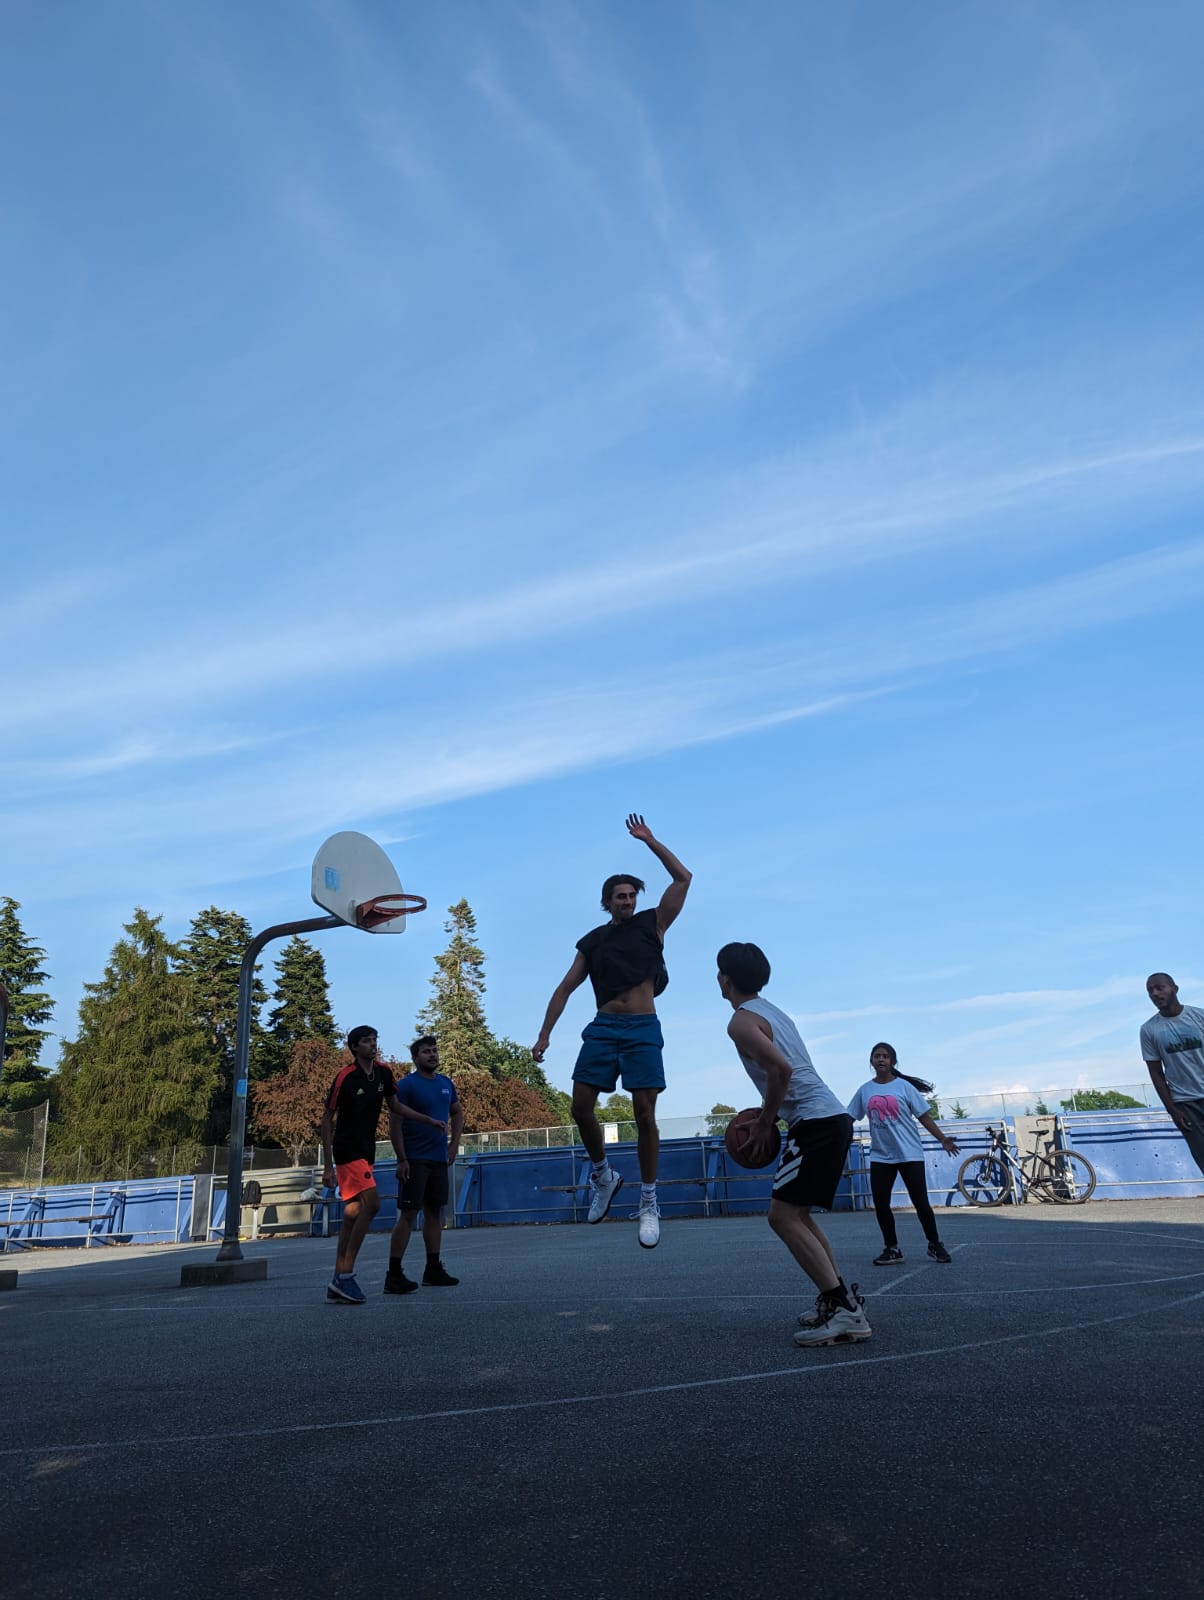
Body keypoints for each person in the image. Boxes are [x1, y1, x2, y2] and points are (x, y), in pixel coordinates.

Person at [533, 814, 691, 1249]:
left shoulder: (653, 924)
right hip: (603, 1026)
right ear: (607, 902)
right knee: (580, 1107)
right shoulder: (593, 941)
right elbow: (565, 988)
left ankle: (649, 1201)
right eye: (620, 896)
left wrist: (650, 841)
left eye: (632, 895)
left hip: (642, 1027)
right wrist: (545, 1034)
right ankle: (604, 1175)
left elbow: (683, 878)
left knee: (644, 1114)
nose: (628, 900)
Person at [717, 942, 871, 1348]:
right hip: (828, 1118)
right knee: (797, 1215)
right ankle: (838, 1299)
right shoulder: (773, 1011)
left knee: (782, 1217)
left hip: (816, 1121)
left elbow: (781, 1070)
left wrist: (765, 1122)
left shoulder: (740, 1021)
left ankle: (845, 1312)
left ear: (724, 979)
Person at [319, 1025, 447, 1304]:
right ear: (354, 1047)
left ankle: (337, 1277)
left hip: (367, 1151)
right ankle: (346, 1276)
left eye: (374, 1040)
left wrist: (427, 1120)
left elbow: (396, 1106)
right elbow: (327, 1119)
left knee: (353, 1212)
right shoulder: (346, 1077)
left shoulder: (384, 1073)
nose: (372, 1044)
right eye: (366, 1041)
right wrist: (328, 1166)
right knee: (373, 1204)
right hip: (347, 1150)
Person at [847, 1043, 958, 1266]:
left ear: (893, 1061)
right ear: (871, 1061)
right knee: (881, 1203)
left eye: (885, 1056)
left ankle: (934, 1244)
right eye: (877, 1056)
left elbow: (924, 1116)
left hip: (909, 1153)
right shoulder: (865, 1090)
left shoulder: (904, 1087)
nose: (881, 1059)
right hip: (880, 1156)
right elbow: (849, 1117)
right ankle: (892, 1248)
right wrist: (833, 1135)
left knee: (921, 1202)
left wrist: (942, 1138)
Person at [384, 1036, 464, 1293]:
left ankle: (433, 1269)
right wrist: (402, 1158)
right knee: (408, 1213)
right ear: (415, 1057)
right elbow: (395, 1122)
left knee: (434, 1213)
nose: (432, 1055)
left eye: (434, 1050)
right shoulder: (406, 1085)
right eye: (426, 1051)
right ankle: (394, 1274)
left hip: (438, 1158)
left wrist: (453, 1145)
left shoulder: (445, 1083)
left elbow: (457, 1112)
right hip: (415, 1159)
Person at [1141, 973, 1204, 1176]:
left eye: (1159, 988)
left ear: (1175, 989)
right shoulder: (1149, 1030)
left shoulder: (1199, 1017)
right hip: (1186, 1103)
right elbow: (1156, 1073)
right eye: (1150, 990)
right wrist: (1173, 1110)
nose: (1154, 993)